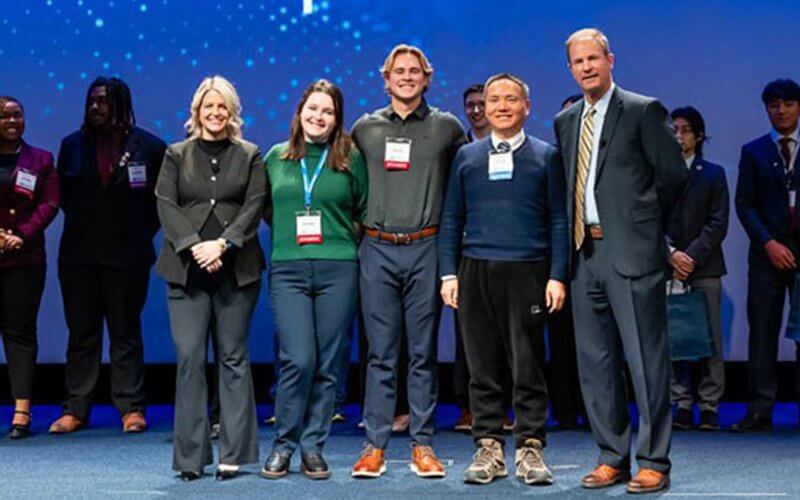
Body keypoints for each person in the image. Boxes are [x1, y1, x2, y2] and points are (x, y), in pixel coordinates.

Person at [553, 28, 686, 494]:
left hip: (631, 252)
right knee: (595, 363)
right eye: (578, 62)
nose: (587, 67)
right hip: (583, 253)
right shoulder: (566, 121)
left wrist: (646, 229)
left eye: (594, 58)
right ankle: (612, 456)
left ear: (610, 60)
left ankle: (654, 461)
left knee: (646, 362)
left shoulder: (642, 110)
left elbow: (673, 178)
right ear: (570, 69)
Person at [440, 73, 568, 485]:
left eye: (511, 99)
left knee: (527, 363)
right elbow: (451, 218)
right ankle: (488, 447)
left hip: (529, 269)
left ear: (526, 107)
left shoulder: (547, 156)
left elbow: (558, 220)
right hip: (475, 269)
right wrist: (448, 273)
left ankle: (530, 448)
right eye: (494, 99)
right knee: (482, 365)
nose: (500, 106)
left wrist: (557, 275)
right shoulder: (467, 157)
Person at [350, 44, 466, 479]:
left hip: (426, 248)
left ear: (427, 78)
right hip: (376, 248)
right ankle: (374, 446)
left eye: (414, 71)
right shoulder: (364, 128)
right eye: (398, 71)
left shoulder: (448, 128)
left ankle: (423, 445)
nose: (406, 77)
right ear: (385, 79)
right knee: (380, 354)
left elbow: (464, 185)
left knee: (422, 353)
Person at [155, 75, 265, 481]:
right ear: (196, 112)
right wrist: (194, 245)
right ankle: (190, 458)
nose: (216, 113)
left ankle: (233, 454)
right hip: (186, 271)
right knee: (189, 359)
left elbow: (254, 205)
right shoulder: (175, 154)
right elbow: (165, 204)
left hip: (236, 269)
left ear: (233, 112)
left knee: (234, 358)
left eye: (223, 107)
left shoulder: (250, 154)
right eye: (208, 107)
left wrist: (223, 244)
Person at [260, 79, 368, 480]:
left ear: (337, 118)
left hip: (339, 267)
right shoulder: (276, 157)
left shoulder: (350, 157)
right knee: (298, 359)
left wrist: (338, 240)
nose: (318, 117)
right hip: (288, 267)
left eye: (327, 111)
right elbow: (267, 208)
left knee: (327, 362)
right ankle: (283, 444)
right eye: (312, 109)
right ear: (299, 113)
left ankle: (312, 446)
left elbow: (363, 206)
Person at [50, 77, 166, 434]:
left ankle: (131, 408)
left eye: (103, 101)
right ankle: (76, 409)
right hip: (79, 256)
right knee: (81, 334)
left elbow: (162, 203)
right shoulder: (72, 145)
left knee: (125, 332)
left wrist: (136, 234)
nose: (95, 107)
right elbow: (65, 197)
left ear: (121, 104)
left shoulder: (149, 146)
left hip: (128, 256)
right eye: (91, 101)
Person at [734, 79, 800, 431]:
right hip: (766, 255)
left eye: (788, 104)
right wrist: (769, 244)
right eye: (774, 105)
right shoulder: (754, 151)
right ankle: (759, 410)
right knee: (762, 333)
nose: (781, 111)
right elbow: (745, 204)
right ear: (766, 110)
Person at [0, 96, 60, 439]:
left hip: (25, 258)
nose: (12, 120)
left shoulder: (40, 159)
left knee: (20, 332)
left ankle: (22, 410)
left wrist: (22, 234)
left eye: (17, 115)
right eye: (4, 115)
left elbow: (50, 202)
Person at [668, 106, 729, 431]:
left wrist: (689, 257)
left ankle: (709, 404)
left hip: (704, 267)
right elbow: (650, 219)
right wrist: (671, 254)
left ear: (699, 135)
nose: (679, 135)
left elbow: (718, 222)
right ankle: (681, 402)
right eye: (674, 129)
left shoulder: (713, 173)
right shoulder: (659, 172)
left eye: (686, 129)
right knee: (674, 337)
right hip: (668, 266)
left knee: (709, 339)